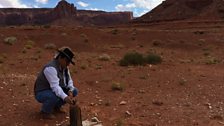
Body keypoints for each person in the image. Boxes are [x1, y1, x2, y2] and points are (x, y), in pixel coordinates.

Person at [34, 47, 78, 119]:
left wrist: (70, 91)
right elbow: (55, 87)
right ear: (60, 58)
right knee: (53, 96)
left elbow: (69, 81)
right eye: (67, 61)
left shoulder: (65, 68)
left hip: (53, 90)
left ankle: (56, 107)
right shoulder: (50, 68)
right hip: (42, 92)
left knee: (74, 91)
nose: (68, 64)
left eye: (69, 62)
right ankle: (45, 112)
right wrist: (66, 97)